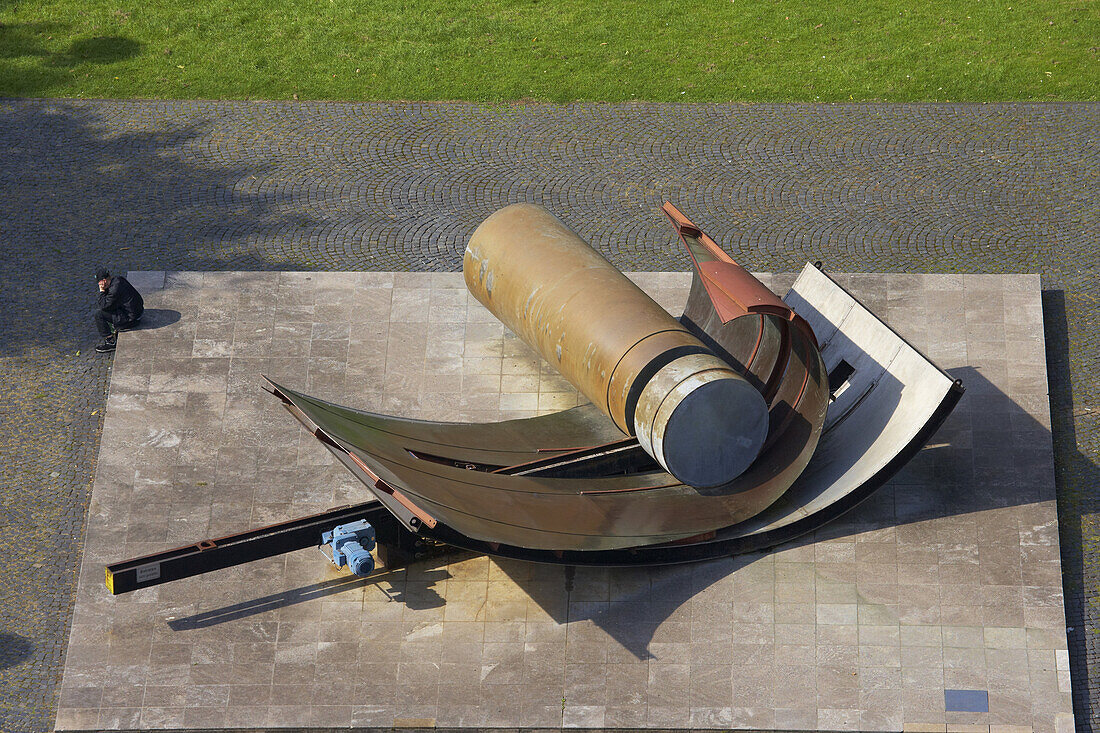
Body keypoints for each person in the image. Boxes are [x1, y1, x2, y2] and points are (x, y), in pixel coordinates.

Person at [93, 267, 144, 353]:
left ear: (104, 281)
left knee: (99, 314)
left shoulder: (113, 290)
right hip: (138, 312)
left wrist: (101, 291)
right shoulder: (118, 280)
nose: (98, 284)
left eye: (99, 282)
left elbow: (104, 305)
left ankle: (110, 342)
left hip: (132, 319)